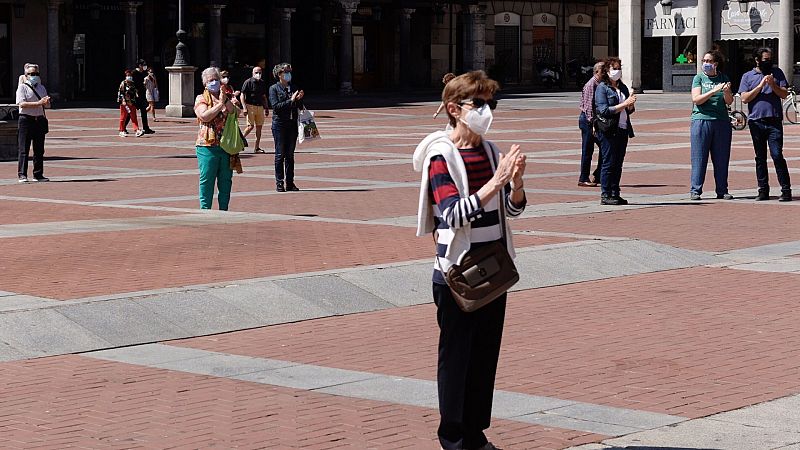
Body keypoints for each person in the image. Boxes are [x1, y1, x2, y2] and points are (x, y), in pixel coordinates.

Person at [412, 70, 527, 450]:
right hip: (457, 271)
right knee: (457, 357)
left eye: (489, 104)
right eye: (478, 104)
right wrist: (496, 181)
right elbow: (452, 213)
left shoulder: (490, 150)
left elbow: (509, 211)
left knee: (484, 355)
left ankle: (476, 432)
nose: (486, 111)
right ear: (454, 109)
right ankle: (454, 437)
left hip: (493, 266)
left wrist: (517, 185)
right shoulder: (440, 155)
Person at [738, 47, 792, 201]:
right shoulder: (747, 76)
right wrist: (760, 85)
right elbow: (744, 98)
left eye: (770, 59)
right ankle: (763, 190)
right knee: (760, 157)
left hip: (774, 121)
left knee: (776, 154)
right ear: (757, 60)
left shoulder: (777, 73)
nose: (768, 62)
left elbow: (784, 94)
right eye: (765, 59)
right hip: (756, 122)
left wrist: (772, 85)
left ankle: (786, 190)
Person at [689, 50, 734, 201]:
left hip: (721, 121)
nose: (705, 63)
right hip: (701, 120)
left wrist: (727, 92)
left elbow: (728, 101)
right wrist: (713, 91)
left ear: (716, 64)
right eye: (704, 60)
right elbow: (697, 99)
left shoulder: (723, 78)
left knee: (721, 158)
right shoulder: (699, 78)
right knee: (699, 157)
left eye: (709, 61)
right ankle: (695, 190)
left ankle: (722, 190)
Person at [594, 57, 637, 205]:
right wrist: (624, 104)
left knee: (618, 163)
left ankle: (615, 192)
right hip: (609, 130)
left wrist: (630, 105)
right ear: (607, 71)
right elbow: (604, 110)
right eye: (614, 68)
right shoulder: (602, 88)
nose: (617, 71)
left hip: (622, 129)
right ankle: (605, 194)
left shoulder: (622, 87)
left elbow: (628, 110)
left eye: (619, 68)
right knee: (609, 162)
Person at [194, 66, 235, 210]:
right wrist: (220, 104)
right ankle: (205, 210)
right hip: (207, 146)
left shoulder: (225, 97)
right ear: (205, 83)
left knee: (226, 180)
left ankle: (224, 209)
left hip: (226, 145)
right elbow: (204, 115)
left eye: (216, 79)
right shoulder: (201, 98)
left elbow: (235, 112)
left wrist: (225, 100)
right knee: (207, 180)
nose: (214, 82)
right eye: (211, 80)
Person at [268, 62, 304, 192]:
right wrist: (291, 100)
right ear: (279, 74)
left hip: (292, 123)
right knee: (280, 154)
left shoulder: (293, 87)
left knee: (290, 155)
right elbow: (276, 106)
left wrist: (299, 99)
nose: (289, 74)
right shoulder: (274, 89)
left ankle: (290, 183)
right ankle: (279, 183)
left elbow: (299, 107)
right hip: (279, 124)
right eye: (286, 72)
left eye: (290, 72)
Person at [16, 63, 51, 183]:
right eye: (31, 74)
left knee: (39, 149)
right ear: (26, 75)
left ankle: (38, 174)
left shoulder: (41, 88)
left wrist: (46, 103)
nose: (34, 76)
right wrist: (39, 103)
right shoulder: (22, 87)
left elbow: (47, 105)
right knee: (24, 149)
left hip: (39, 120)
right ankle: (22, 175)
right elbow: (21, 104)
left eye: (36, 73)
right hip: (26, 120)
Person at [577, 61, 605, 187]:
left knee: (605, 147)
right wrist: (593, 123)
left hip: (596, 120)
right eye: (602, 71)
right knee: (588, 149)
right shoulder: (591, 84)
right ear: (596, 72)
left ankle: (598, 174)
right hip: (588, 120)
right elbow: (588, 107)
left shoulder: (602, 84)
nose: (605, 73)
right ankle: (583, 177)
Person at [240, 66, 270, 153]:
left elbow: (264, 96)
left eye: (260, 72)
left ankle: (257, 147)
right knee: (250, 126)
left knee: (259, 127)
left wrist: (266, 107)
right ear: (253, 73)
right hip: (250, 106)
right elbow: (242, 95)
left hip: (260, 106)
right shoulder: (248, 82)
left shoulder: (262, 83)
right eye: (256, 72)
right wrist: (244, 107)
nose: (258, 74)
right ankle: (240, 140)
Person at [129, 59, 155, 134]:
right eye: (143, 65)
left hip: (142, 95)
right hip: (135, 96)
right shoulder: (134, 73)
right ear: (140, 65)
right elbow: (131, 83)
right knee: (130, 112)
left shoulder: (144, 73)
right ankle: (123, 128)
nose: (145, 66)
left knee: (144, 112)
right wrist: (134, 91)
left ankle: (146, 128)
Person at [118, 70, 144, 137]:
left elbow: (135, 93)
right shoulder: (123, 83)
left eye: (130, 75)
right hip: (125, 103)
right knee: (123, 117)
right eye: (128, 75)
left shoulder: (133, 84)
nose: (129, 76)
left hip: (132, 103)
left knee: (134, 117)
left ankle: (137, 130)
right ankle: (121, 130)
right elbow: (121, 93)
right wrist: (123, 100)